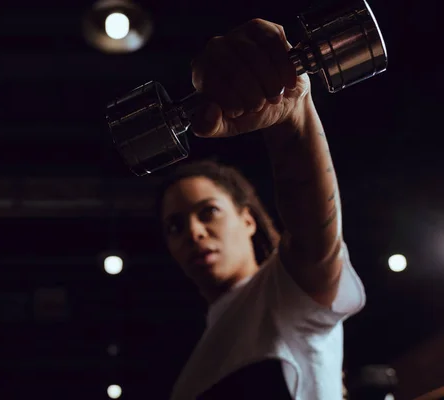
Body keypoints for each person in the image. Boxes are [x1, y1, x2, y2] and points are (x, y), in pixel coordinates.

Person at [156, 18, 366, 400]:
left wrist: (291, 117)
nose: (194, 232)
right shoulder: (185, 384)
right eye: (175, 226)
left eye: (208, 212)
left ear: (247, 219)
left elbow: (315, 245)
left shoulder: (285, 296)